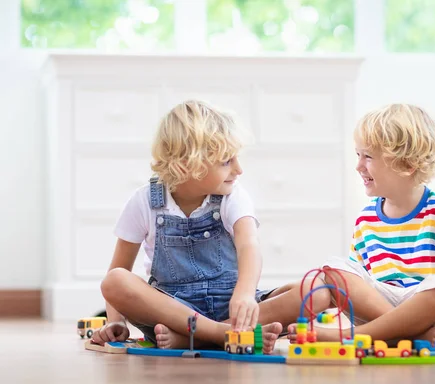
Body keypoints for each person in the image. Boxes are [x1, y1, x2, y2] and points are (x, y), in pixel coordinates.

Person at [91, 100, 329, 353]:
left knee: (320, 291)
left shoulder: (232, 196)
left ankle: (202, 336)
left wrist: (245, 295)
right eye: (226, 161)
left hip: (232, 304)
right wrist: (116, 320)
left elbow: (249, 245)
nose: (239, 169)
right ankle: (221, 333)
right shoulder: (144, 201)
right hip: (173, 313)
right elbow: (119, 269)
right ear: (187, 164)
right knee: (114, 281)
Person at [289, 104, 435, 345]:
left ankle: (353, 337)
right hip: (384, 312)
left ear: (406, 164)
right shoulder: (366, 218)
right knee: (334, 269)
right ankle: (405, 335)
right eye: (358, 155)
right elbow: (360, 284)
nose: (358, 166)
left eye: (368, 156)